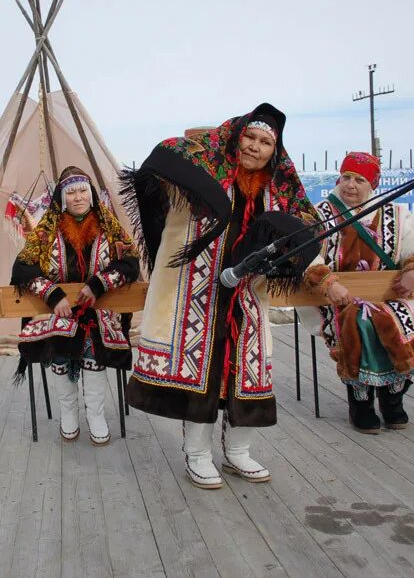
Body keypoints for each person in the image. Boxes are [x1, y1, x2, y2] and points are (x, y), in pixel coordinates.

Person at [122, 103, 338, 489]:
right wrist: (217, 201)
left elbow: (306, 238)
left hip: (247, 296)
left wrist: (323, 278)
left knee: (246, 372)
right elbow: (161, 157)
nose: (255, 147)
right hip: (195, 294)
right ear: (237, 137)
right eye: (250, 137)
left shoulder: (280, 190)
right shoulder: (206, 170)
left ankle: (237, 450)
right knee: (202, 372)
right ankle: (198, 454)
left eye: (265, 142)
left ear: (276, 150)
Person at [299, 152, 414, 434]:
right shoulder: (319, 214)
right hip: (336, 299)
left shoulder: (395, 214)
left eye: (359, 180)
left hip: (388, 295)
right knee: (357, 322)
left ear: (372, 184)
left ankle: (392, 398)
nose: (351, 185)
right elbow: (304, 253)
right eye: (346, 178)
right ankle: (360, 402)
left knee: (398, 321)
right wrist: (328, 283)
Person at [11, 166, 140, 445]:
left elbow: (130, 262)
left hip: (98, 308)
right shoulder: (46, 231)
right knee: (60, 340)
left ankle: (95, 415)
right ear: (62, 198)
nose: (78, 197)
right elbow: (22, 267)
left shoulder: (108, 226)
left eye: (83, 190)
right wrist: (52, 294)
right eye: (71, 192)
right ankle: (67, 414)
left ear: (91, 195)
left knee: (94, 343)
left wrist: (98, 285)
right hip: (58, 309)